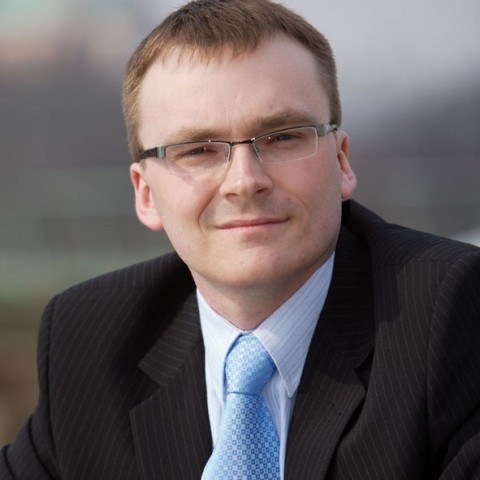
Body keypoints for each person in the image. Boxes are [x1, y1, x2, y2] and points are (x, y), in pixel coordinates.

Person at [1, 0, 479, 478]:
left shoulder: (454, 312)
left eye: (283, 137)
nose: (245, 181)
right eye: (197, 150)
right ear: (145, 194)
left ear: (341, 162)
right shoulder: (89, 336)